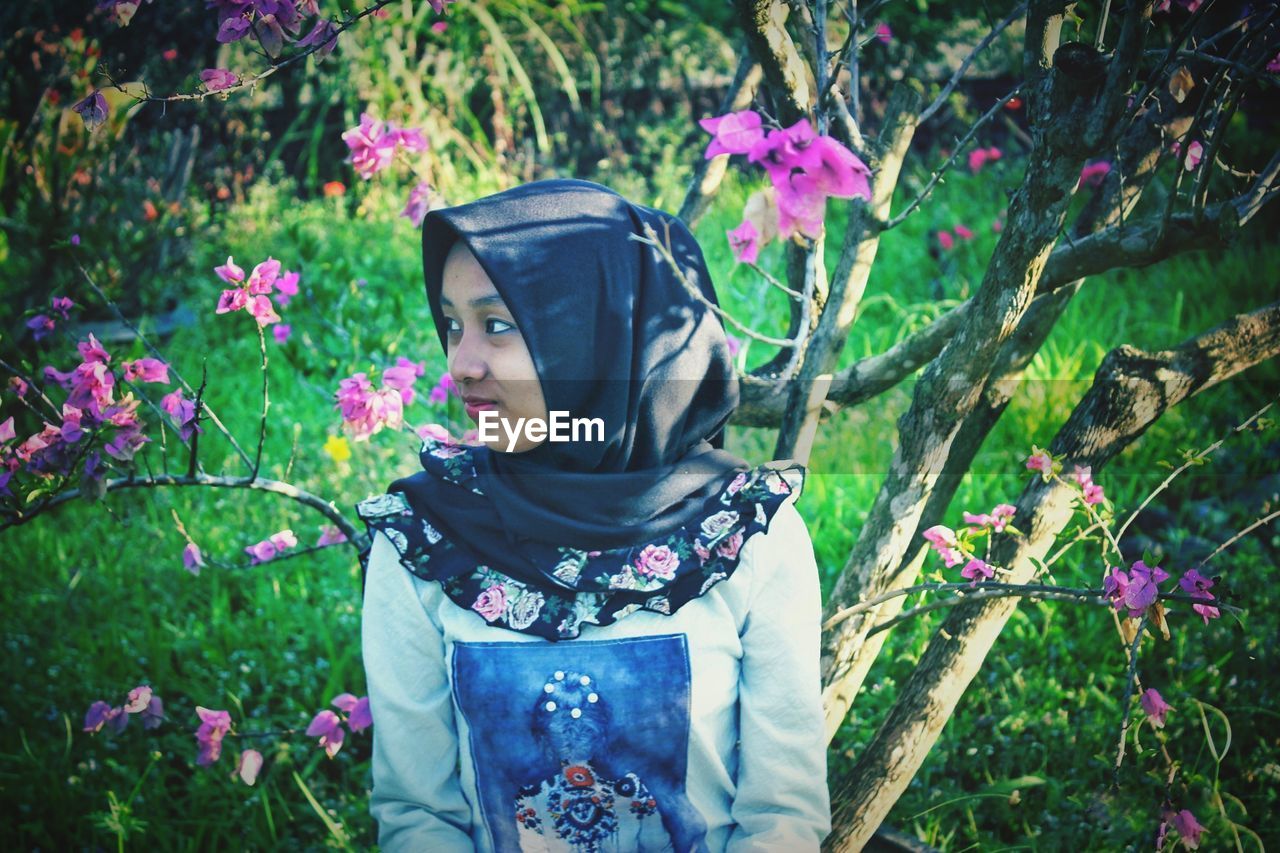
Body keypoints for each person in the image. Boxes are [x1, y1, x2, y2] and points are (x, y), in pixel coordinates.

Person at [357, 178, 830, 853]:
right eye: (453, 324)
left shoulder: (747, 533)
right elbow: (417, 814)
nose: (460, 364)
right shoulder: (426, 537)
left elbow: (783, 815)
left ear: (596, 335)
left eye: (497, 325)